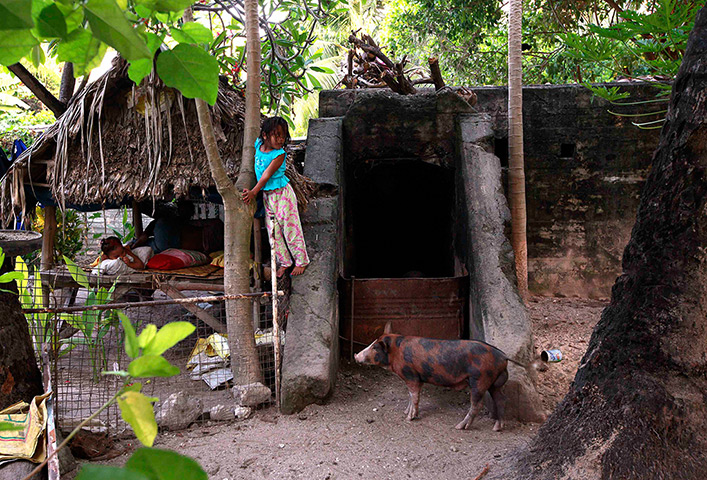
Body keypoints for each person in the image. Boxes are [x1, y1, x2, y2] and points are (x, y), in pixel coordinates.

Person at [241, 117, 309, 277]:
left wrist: (253, 192)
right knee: (273, 232)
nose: (280, 139)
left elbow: (266, 176)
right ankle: (285, 262)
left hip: (282, 194)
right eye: (276, 135)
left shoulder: (279, 155)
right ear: (265, 136)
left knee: (290, 228)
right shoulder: (258, 145)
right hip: (268, 196)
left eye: (283, 135)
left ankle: (301, 261)